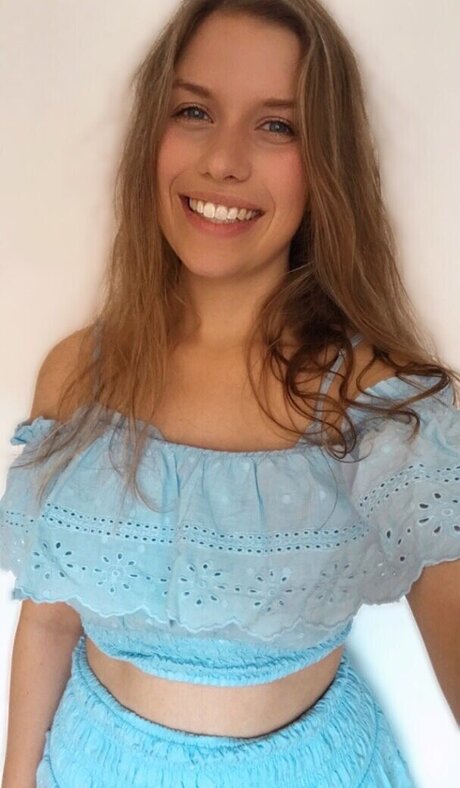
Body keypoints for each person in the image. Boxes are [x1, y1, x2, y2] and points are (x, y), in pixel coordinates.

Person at [1, 0, 459, 785]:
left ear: (327, 164)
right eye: (194, 111)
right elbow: (48, 622)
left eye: (277, 126)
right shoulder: (77, 374)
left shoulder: (380, 406)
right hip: (83, 765)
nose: (223, 160)